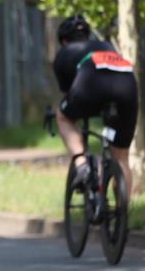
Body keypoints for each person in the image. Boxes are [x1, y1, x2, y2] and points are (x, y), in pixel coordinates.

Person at [52, 14, 138, 191]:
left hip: (91, 81)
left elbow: (70, 94)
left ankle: (82, 164)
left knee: (63, 117)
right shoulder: (106, 46)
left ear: (63, 41)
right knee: (121, 158)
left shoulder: (65, 52)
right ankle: (122, 213)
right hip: (127, 83)